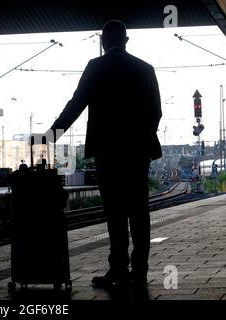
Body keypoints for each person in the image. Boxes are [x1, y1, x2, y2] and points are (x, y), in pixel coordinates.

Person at [45, 20, 162, 290]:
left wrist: (51, 136)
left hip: (108, 153)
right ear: (126, 40)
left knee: (116, 213)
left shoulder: (96, 68)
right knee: (139, 211)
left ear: (102, 41)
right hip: (136, 154)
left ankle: (118, 269)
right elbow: (156, 111)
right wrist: (141, 140)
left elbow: (76, 104)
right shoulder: (145, 69)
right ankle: (140, 271)